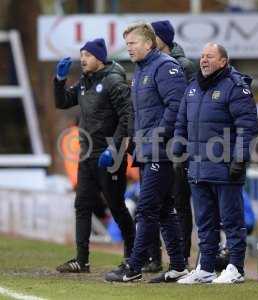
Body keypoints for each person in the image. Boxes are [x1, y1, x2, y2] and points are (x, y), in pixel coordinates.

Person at [105, 22, 188, 283]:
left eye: (133, 43)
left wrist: (159, 134)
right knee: (163, 209)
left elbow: (177, 104)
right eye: (127, 44)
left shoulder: (165, 67)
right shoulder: (142, 70)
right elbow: (144, 113)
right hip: (147, 150)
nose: (128, 48)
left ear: (149, 43)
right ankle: (178, 266)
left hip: (161, 151)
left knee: (147, 208)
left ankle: (135, 265)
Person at [174, 43, 258, 284]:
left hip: (225, 167)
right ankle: (206, 267)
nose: (203, 60)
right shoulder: (193, 88)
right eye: (202, 56)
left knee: (232, 221)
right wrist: (179, 152)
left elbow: (248, 127)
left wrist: (239, 159)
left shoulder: (235, 87)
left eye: (210, 56)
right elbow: (181, 124)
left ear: (224, 61)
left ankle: (236, 268)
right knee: (205, 222)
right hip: (198, 167)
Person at [53, 38, 135, 273]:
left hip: (109, 155)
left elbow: (127, 117)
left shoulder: (113, 81)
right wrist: (59, 81)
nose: (83, 59)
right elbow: (62, 102)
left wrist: (114, 147)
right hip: (87, 154)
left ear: (99, 57)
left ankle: (133, 257)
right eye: (81, 55)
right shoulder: (83, 82)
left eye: (87, 55)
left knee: (116, 206)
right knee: (82, 205)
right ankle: (82, 260)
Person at [135, 19, 196, 272]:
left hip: (174, 146)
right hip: (152, 146)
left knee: (176, 203)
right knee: (164, 206)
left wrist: (165, 136)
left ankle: (175, 260)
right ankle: (167, 261)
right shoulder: (145, 67)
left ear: (159, 39)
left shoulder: (179, 66)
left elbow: (183, 107)